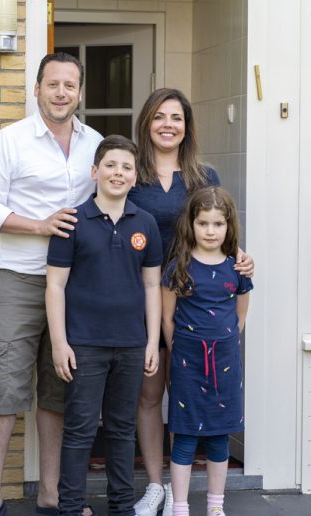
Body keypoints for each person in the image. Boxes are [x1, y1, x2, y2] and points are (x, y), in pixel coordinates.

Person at [0, 52, 102, 516]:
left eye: (70, 85)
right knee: (2, 385)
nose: (62, 93)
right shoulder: (8, 142)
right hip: (17, 278)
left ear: (79, 92)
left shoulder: (96, 144)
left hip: (76, 285)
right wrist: (39, 226)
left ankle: (51, 492)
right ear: (37, 88)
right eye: (53, 84)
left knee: (59, 387)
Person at [129, 88, 254, 516]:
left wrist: (242, 260)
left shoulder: (205, 176)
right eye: (160, 116)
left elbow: (224, 232)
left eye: (177, 117)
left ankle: (191, 495)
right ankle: (155, 486)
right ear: (147, 122)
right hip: (143, 300)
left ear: (187, 126)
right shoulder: (134, 175)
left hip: (197, 308)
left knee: (193, 399)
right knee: (149, 394)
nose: (168, 124)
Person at [45, 135, 163, 515]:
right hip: (85, 344)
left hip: (130, 344)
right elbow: (55, 285)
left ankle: (121, 506)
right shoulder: (72, 221)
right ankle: (71, 506)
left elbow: (151, 286)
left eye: (126, 167)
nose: (118, 173)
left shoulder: (145, 223)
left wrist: (150, 341)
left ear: (135, 176)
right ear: (95, 172)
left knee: (121, 428)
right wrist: (60, 343)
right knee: (80, 429)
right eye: (110, 165)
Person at [162, 186, 253, 516]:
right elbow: (167, 318)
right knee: (184, 437)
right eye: (203, 224)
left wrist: (224, 340)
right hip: (188, 362)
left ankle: (216, 506)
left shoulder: (237, 268)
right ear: (192, 224)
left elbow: (240, 314)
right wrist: (184, 347)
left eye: (218, 224)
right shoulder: (178, 267)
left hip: (226, 363)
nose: (211, 231)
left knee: (218, 436)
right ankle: (180, 507)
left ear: (228, 226)